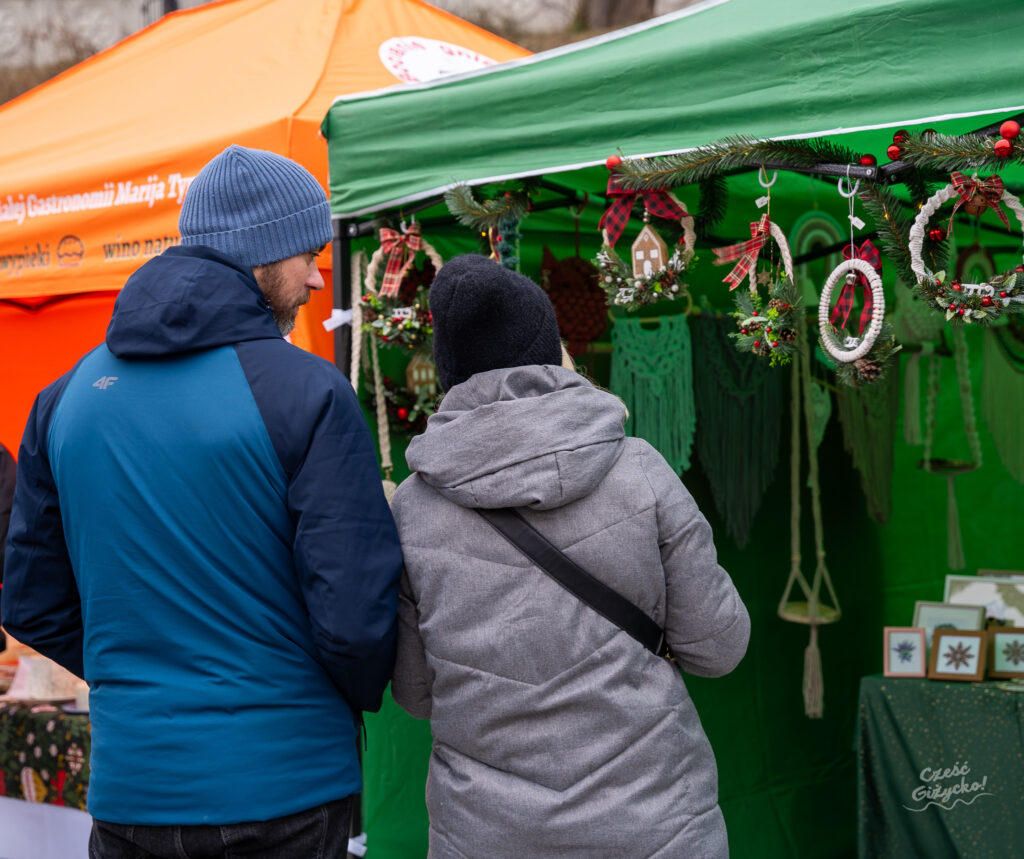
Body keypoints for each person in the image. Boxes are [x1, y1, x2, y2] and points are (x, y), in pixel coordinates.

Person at [1, 145, 402, 858]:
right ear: (255, 258)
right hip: (286, 784)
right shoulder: (308, 391)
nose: (318, 274)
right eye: (304, 254)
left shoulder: (61, 400)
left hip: (133, 789)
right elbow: (355, 619)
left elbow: (31, 601)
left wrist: (142, 681)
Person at [390, 254, 750, 858]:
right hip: (657, 830)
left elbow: (416, 692)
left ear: (450, 373)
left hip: (487, 836)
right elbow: (719, 648)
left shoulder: (413, 509)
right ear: (551, 350)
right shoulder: (640, 470)